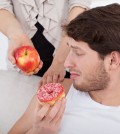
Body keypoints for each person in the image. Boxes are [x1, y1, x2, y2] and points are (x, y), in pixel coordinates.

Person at [8, 3, 120, 134]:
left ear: (112, 61)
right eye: (69, 50)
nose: (66, 63)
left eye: (78, 53)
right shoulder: (56, 93)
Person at [0, 0, 91, 84]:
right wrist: (16, 36)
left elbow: (79, 7)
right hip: (20, 64)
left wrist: (60, 61)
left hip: (67, 58)